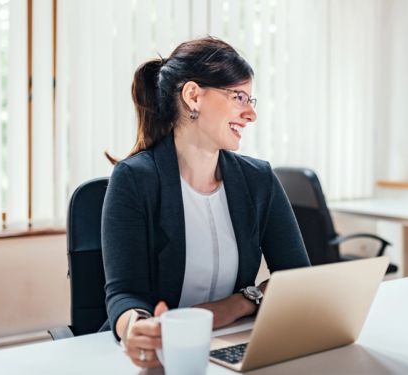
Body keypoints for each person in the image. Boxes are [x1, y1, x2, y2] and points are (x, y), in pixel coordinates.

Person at [101, 37, 310, 368]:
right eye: (238, 97)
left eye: (250, 98)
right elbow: (125, 294)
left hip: (237, 343)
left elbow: (298, 278)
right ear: (193, 96)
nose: (251, 113)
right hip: (164, 355)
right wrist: (137, 328)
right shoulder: (134, 179)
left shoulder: (259, 179)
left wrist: (237, 305)